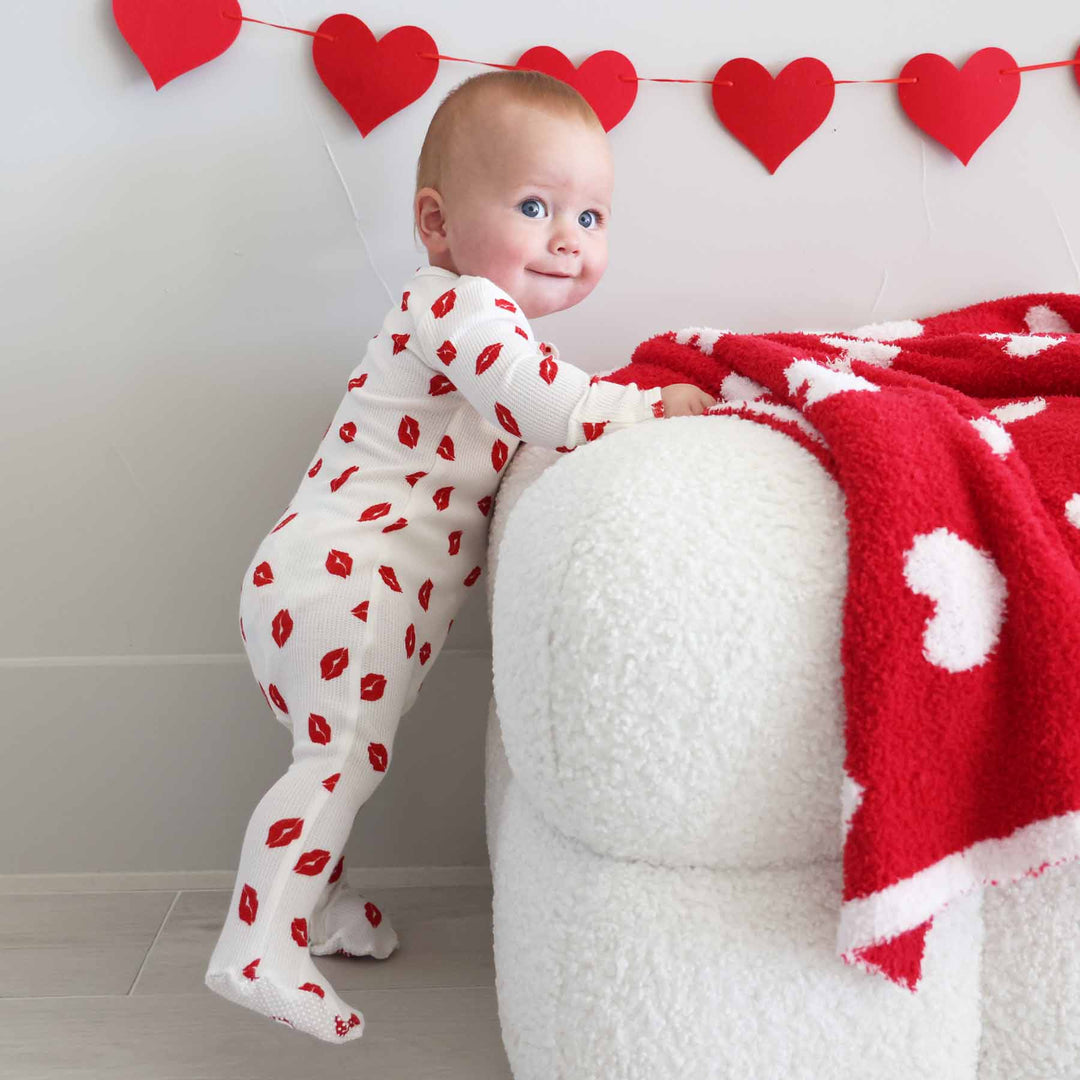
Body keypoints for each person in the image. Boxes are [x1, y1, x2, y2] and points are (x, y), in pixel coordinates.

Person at [204, 67, 716, 1044]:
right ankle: (258, 941)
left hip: (321, 580)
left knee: (333, 757)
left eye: (593, 216)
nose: (571, 238)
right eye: (536, 206)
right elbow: (541, 402)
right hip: (348, 574)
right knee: (340, 756)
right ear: (437, 223)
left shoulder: (479, 325)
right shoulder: (458, 311)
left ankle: (317, 904)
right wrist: (643, 406)